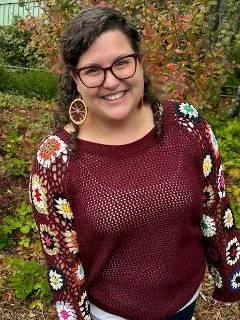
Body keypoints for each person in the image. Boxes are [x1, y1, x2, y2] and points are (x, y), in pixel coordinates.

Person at [29, 6, 240, 320]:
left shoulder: (187, 125)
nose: (111, 81)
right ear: (76, 78)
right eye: (93, 70)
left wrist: (229, 276)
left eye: (121, 63)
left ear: (139, 62)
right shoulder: (55, 160)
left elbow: (215, 207)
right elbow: (62, 266)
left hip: (185, 305)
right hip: (112, 314)